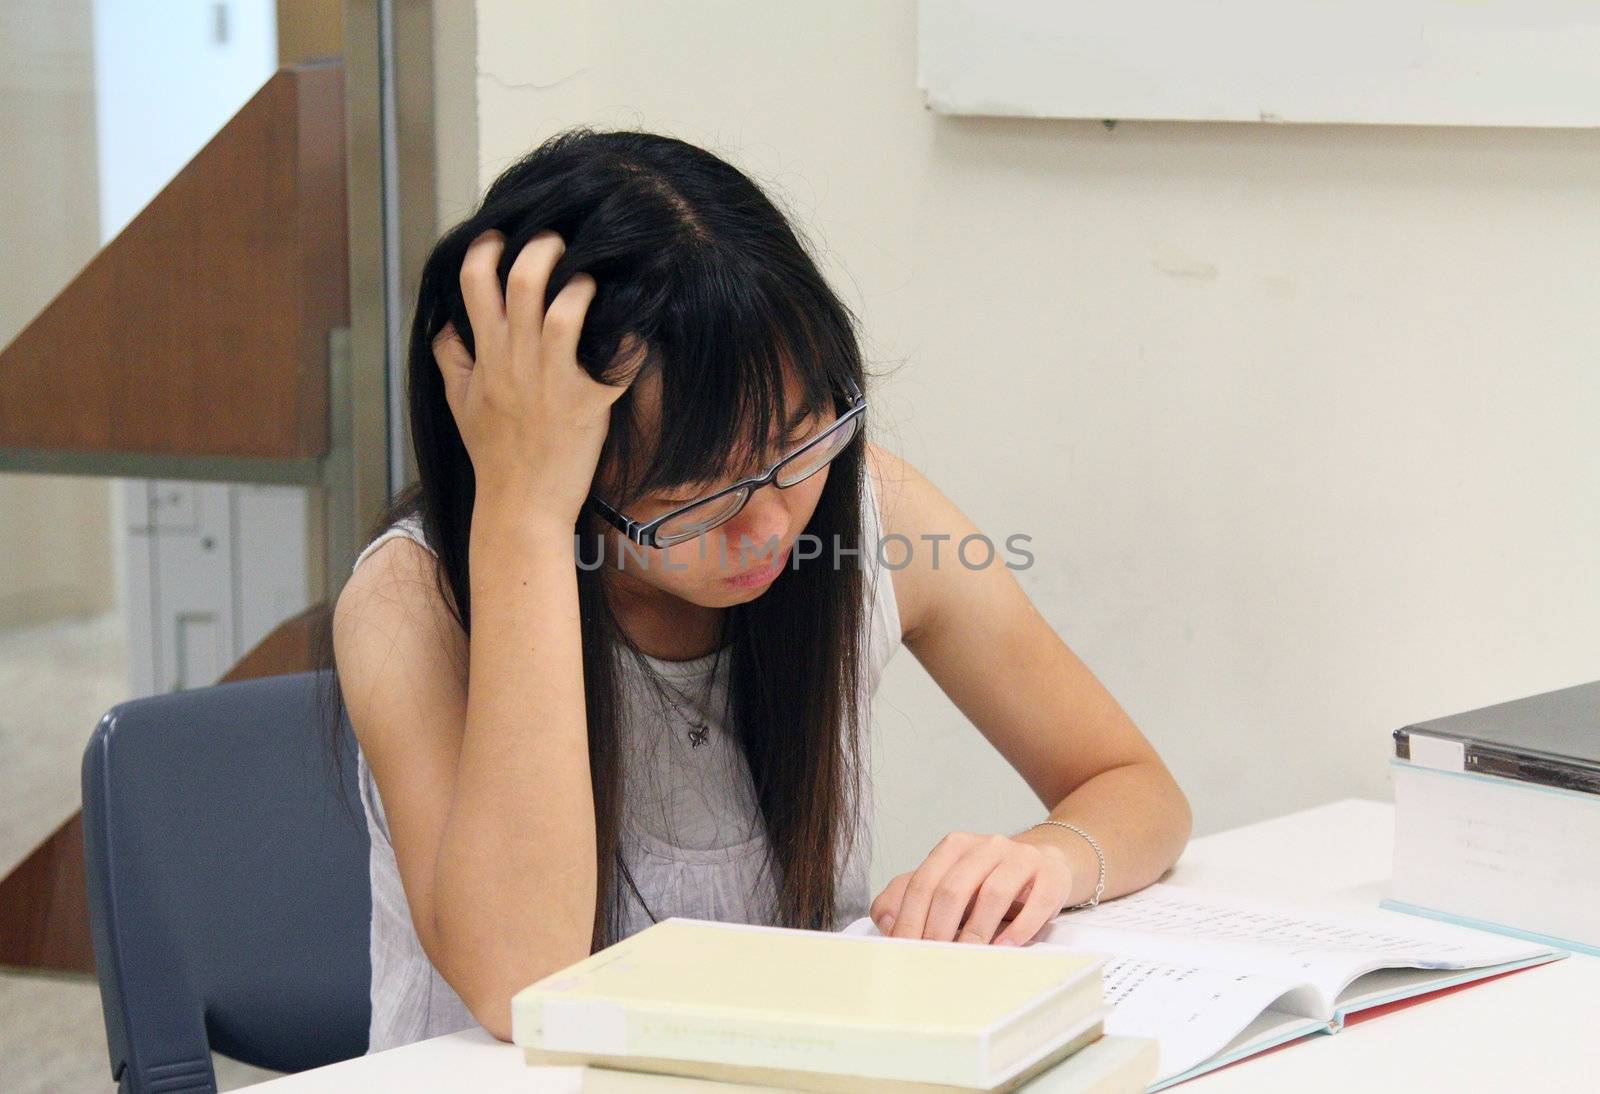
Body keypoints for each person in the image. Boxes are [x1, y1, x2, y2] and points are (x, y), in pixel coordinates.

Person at [323, 127, 1192, 1050]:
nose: (771, 525)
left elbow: (1133, 786)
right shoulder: (413, 604)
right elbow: (522, 983)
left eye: (801, 441)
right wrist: (523, 520)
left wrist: (1046, 861)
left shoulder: (874, 514)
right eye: (696, 496)